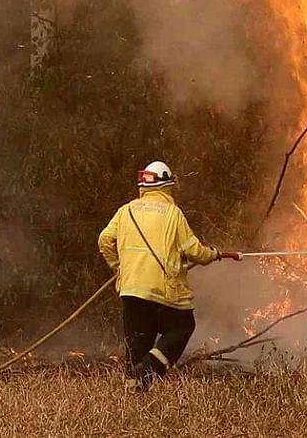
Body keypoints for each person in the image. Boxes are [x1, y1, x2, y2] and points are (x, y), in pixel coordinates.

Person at [97, 160, 240, 390]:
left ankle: (134, 390)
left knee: (137, 342)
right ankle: (152, 367)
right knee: (182, 326)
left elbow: (104, 240)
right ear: (166, 186)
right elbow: (194, 251)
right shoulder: (173, 214)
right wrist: (213, 254)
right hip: (163, 291)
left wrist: (118, 268)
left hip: (131, 289)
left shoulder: (126, 211)